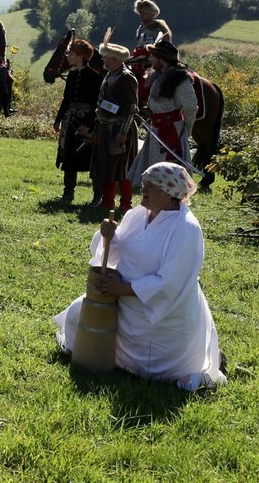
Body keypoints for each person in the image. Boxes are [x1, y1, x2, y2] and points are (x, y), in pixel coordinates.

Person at [54, 162, 226, 391]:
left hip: (159, 313)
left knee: (155, 366)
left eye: (151, 186)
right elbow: (119, 247)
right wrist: (108, 236)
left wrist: (124, 288)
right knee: (76, 315)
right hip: (120, 301)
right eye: (144, 183)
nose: (142, 189)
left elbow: (172, 282)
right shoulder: (137, 214)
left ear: (170, 194)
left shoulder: (185, 228)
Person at [130, 40, 198, 183]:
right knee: (154, 175)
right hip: (157, 128)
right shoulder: (158, 76)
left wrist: (186, 130)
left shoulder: (180, 79)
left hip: (172, 131)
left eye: (153, 56)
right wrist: (150, 111)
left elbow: (190, 106)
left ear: (162, 58)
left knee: (170, 173)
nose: (150, 59)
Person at [53, 38, 103, 205]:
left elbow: (96, 103)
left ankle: (97, 195)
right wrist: (58, 119)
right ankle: (68, 193)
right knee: (68, 155)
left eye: (71, 53)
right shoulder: (72, 74)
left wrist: (88, 124)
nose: (68, 56)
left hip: (86, 122)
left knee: (92, 159)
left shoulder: (94, 77)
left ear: (80, 56)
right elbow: (66, 99)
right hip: (70, 121)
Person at [91, 40, 139, 212]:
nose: (103, 59)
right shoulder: (110, 75)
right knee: (107, 164)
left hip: (120, 129)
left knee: (123, 167)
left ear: (114, 59)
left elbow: (131, 108)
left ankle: (126, 203)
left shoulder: (127, 77)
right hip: (105, 126)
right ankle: (107, 201)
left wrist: (123, 132)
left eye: (105, 56)